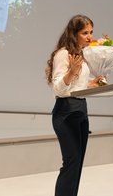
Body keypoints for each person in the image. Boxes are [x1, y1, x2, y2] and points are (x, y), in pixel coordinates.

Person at [45, 14, 103, 196]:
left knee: (77, 163)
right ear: (74, 33)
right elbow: (59, 89)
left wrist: (91, 84)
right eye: (85, 32)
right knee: (71, 162)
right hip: (66, 112)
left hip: (81, 110)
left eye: (91, 32)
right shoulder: (63, 54)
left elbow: (76, 86)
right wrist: (71, 71)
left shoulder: (81, 55)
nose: (89, 36)